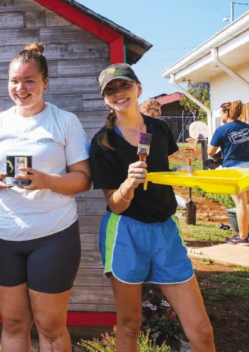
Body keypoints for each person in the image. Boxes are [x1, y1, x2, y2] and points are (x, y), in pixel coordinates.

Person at [89, 63, 215, 352]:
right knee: (130, 324)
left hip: (165, 231)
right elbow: (115, 205)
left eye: (124, 85)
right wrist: (128, 185)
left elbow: (164, 168)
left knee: (202, 331)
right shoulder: (102, 142)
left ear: (138, 88)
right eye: (111, 90)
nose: (119, 93)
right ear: (105, 99)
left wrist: (182, 169)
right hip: (125, 233)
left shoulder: (159, 127)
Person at [0, 42, 91, 352]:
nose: (21, 87)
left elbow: (83, 179)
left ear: (45, 83)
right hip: (3, 235)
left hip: (53, 235)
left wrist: (47, 181)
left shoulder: (65, 121)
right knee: (13, 324)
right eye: (14, 80)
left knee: (51, 327)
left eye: (29, 80)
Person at [208, 100, 249, 245]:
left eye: (220, 113)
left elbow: (210, 151)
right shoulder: (247, 127)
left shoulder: (222, 129)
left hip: (234, 169)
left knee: (240, 203)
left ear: (227, 113)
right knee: (247, 203)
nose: (219, 116)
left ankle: (243, 237)